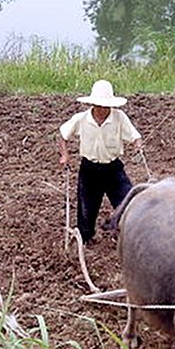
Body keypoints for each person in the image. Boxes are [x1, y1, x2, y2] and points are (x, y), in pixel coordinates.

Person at [59, 79, 142, 245]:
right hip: (89, 170)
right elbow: (63, 135)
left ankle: (127, 234)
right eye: (100, 105)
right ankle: (86, 239)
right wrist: (65, 155)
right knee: (86, 209)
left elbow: (135, 136)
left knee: (127, 202)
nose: (103, 109)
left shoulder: (119, 118)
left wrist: (137, 145)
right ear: (93, 104)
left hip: (113, 169)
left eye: (106, 105)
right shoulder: (81, 119)